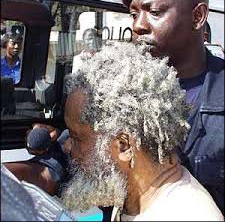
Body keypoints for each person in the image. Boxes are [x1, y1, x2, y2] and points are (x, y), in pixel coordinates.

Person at [59, 42, 223, 221]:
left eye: (76, 138)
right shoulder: (131, 196)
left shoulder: (189, 215)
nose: (68, 146)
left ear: (124, 146)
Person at [121, 0, 224, 214]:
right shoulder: (117, 89)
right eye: (134, 14)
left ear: (197, 17)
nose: (138, 25)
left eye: (155, 12)